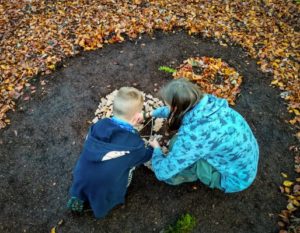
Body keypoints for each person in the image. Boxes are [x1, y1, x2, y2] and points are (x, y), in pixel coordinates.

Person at [147, 78, 259, 193]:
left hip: (234, 180)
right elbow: (179, 110)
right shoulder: (212, 106)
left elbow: (162, 172)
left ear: (175, 108)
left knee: (173, 163)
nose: (168, 108)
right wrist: (151, 113)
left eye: (168, 106)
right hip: (245, 164)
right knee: (177, 143)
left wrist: (156, 149)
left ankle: (180, 177)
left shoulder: (194, 136)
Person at [67, 87, 153, 218]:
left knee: (86, 181)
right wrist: (154, 148)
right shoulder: (135, 145)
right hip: (105, 186)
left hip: (82, 174)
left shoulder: (100, 125)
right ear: (137, 117)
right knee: (128, 170)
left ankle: (78, 197)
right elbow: (144, 156)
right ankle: (101, 205)